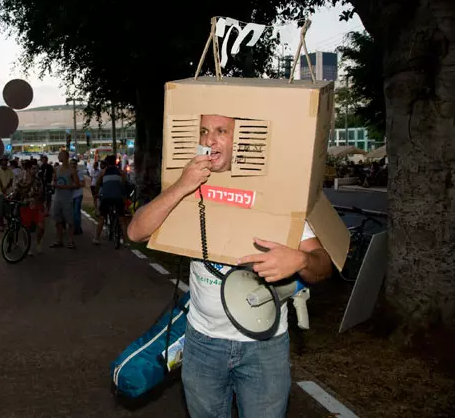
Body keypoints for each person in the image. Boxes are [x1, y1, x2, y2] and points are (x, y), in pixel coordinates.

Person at [127, 115, 333, 418]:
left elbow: (323, 265)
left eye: (221, 131)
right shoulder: (188, 191)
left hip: (264, 347)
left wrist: (301, 260)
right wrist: (181, 186)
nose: (210, 141)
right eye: (204, 132)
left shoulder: (274, 196)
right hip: (202, 343)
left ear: (244, 140)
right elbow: (136, 232)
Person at [92, 155, 127, 245]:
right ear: (115, 162)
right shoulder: (121, 172)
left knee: (102, 218)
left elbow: (98, 183)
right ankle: (125, 241)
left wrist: (96, 193)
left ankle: (96, 238)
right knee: (122, 219)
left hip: (106, 197)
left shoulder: (104, 172)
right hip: (118, 198)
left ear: (106, 163)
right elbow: (123, 184)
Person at [14, 161, 45, 254]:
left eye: (36, 168)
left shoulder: (38, 180)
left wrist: (37, 201)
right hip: (25, 205)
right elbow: (16, 190)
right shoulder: (21, 180)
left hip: (37, 206)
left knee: (41, 227)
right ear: (28, 169)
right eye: (33, 168)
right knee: (26, 227)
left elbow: (41, 193)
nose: (35, 170)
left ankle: (38, 242)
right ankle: (27, 246)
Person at [50, 150, 79, 249]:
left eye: (60, 155)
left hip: (67, 199)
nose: (58, 156)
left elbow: (77, 184)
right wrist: (53, 184)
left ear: (65, 157)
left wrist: (64, 187)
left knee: (70, 221)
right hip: (57, 198)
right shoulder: (56, 169)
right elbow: (54, 180)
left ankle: (71, 241)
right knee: (57, 220)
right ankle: (59, 240)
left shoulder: (72, 170)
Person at [0, 158, 14, 231]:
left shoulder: (10, 170)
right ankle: (1, 225)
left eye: (5, 163)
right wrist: (3, 190)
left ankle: (9, 224)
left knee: (8, 211)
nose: (4, 165)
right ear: (0, 164)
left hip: (8, 192)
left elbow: (11, 181)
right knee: (0, 211)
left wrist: (5, 188)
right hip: (0, 193)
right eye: (3, 164)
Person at [71, 158, 86, 235]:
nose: (73, 165)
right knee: (72, 213)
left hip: (78, 195)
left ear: (76, 165)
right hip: (70, 196)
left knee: (76, 212)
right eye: (71, 163)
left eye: (74, 163)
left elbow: (83, 184)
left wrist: (76, 185)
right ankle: (75, 227)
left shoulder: (79, 173)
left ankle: (77, 228)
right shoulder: (68, 173)